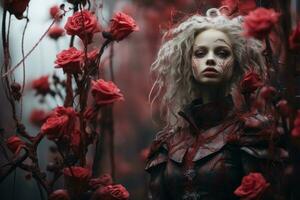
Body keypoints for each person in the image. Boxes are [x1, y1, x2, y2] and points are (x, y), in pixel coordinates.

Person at [146, 8, 289, 200]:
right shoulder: (168, 143)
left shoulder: (250, 132)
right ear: (189, 64)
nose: (211, 59)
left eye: (222, 53)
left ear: (235, 63)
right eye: (200, 53)